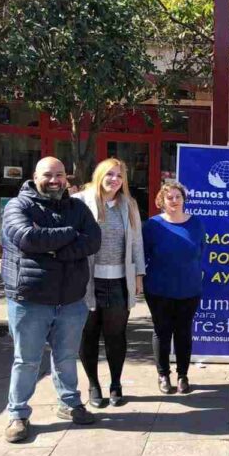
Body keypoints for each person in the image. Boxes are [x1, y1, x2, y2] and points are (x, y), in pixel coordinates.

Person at [1, 157, 101, 443]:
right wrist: (71, 235)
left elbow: (93, 241)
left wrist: (55, 250)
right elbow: (28, 239)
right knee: (26, 360)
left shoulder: (78, 207)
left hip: (71, 300)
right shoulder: (17, 206)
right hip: (29, 299)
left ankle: (69, 404)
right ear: (35, 176)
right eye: (48, 175)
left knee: (67, 357)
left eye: (60, 175)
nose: (55, 180)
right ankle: (18, 414)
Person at [74, 159, 145, 408]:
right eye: (110, 174)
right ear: (99, 175)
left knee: (116, 335)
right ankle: (93, 385)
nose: (114, 179)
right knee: (88, 334)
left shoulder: (129, 205)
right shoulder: (81, 202)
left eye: (119, 175)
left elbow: (136, 242)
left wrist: (138, 276)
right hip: (86, 281)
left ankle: (116, 384)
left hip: (118, 281)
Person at [143, 181, 205, 395]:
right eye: (169, 197)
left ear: (183, 199)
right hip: (159, 289)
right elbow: (142, 255)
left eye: (178, 196)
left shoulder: (195, 223)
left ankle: (182, 375)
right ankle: (163, 375)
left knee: (184, 332)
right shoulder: (152, 225)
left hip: (189, 288)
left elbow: (201, 250)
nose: (174, 201)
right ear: (161, 200)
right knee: (162, 332)